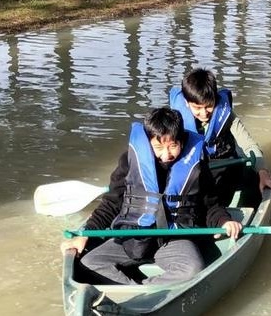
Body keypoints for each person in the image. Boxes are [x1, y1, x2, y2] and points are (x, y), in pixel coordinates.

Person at [61, 107, 242, 285]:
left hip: (174, 238)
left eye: (173, 146)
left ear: (182, 141)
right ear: (148, 143)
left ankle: (147, 291)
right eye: (158, 147)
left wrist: (223, 221)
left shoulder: (197, 165)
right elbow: (111, 203)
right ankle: (134, 290)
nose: (166, 155)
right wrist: (86, 234)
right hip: (135, 237)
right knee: (88, 263)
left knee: (192, 269)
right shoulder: (130, 162)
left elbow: (210, 204)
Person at [169, 67, 271, 207]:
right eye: (197, 108)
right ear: (186, 102)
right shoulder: (175, 119)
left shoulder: (226, 115)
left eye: (209, 106)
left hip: (225, 169)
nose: (204, 114)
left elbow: (249, 145)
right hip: (194, 173)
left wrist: (262, 172)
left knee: (252, 176)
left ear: (215, 98)